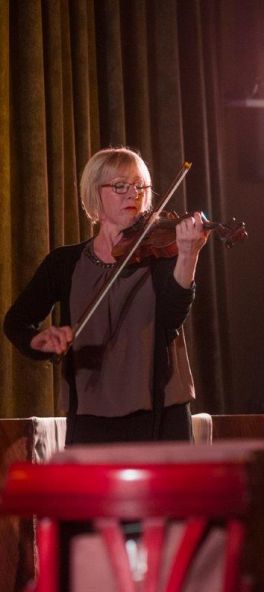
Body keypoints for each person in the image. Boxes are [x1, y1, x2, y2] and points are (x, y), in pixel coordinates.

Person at [3, 147, 209, 445]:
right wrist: (38, 341)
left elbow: (170, 318)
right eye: (120, 186)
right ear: (94, 194)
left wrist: (188, 255)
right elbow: (16, 322)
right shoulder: (64, 263)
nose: (133, 194)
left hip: (161, 414)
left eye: (140, 186)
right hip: (90, 418)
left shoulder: (160, 254)